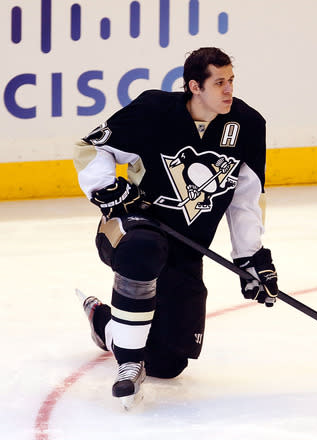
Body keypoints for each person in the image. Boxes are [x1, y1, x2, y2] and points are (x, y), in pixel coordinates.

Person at [73, 47, 279, 409]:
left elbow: (246, 198)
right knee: (144, 249)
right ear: (194, 86)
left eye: (231, 81)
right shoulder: (154, 110)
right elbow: (92, 148)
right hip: (131, 229)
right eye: (219, 82)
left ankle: (104, 323)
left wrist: (251, 258)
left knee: (168, 363)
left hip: (187, 247)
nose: (228, 90)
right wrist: (106, 189)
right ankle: (128, 364)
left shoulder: (248, 125)